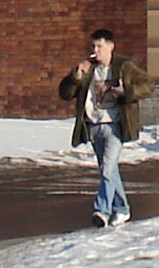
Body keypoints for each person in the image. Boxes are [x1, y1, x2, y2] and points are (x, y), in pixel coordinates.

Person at [58, 28, 150, 228]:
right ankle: (123, 209)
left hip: (115, 125)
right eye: (93, 46)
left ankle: (102, 211)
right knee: (108, 171)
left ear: (110, 46)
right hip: (94, 125)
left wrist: (127, 91)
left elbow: (148, 84)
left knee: (108, 170)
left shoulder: (123, 67)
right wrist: (76, 76)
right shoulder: (88, 69)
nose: (95, 50)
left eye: (99, 46)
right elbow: (65, 93)